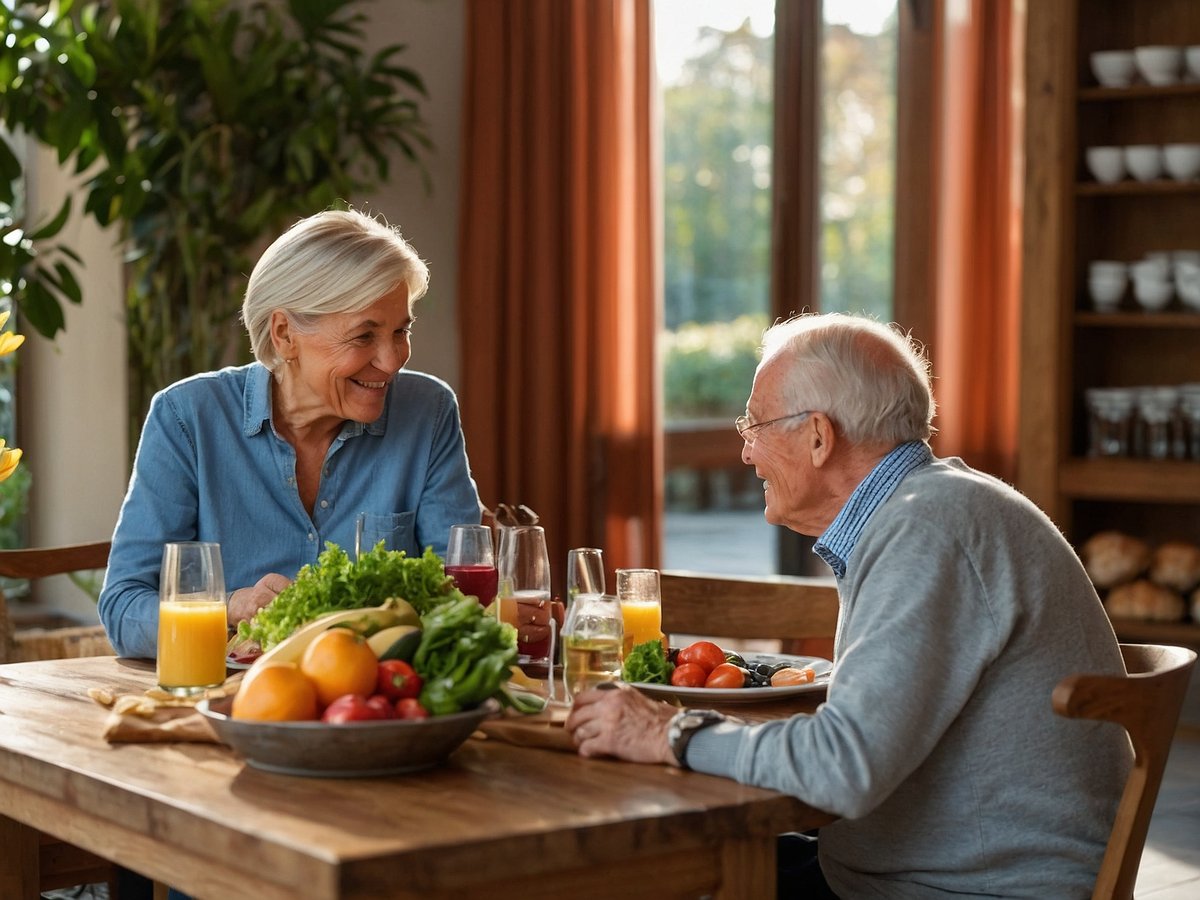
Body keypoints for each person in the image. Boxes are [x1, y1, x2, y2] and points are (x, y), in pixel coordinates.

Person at [565, 312, 1131, 899]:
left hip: (963, 890)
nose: (744, 453)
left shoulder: (926, 529)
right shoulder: (937, 505)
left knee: (632, 878)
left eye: (754, 425)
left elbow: (843, 769)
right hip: (927, 870)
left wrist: (670, 733)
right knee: (673, 865)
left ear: (818, 436)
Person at [99, 208, 482, 658]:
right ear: (284, 334)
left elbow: (463, 596)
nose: (392, 359)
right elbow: (124, 608)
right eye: (364, 337)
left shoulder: (427, 411)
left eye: (401, 331)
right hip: (230, 707)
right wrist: (227, 608)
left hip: (377, 704)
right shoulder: (188, 418)